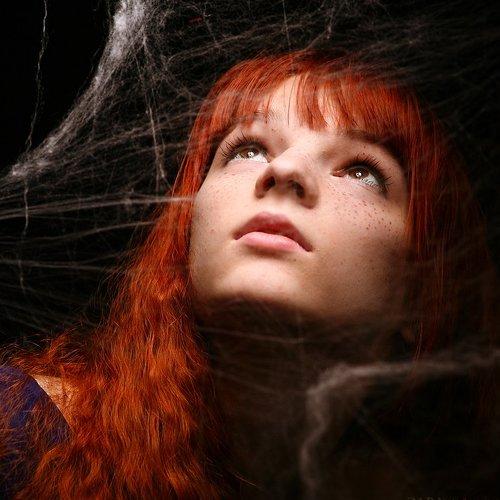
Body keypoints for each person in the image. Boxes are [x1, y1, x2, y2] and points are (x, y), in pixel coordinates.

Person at [0, 49, 497, 499]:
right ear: (185, 234)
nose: (284, 171)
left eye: (361, 170)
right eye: (248, 149)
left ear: (420, 291)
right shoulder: (19, 429)